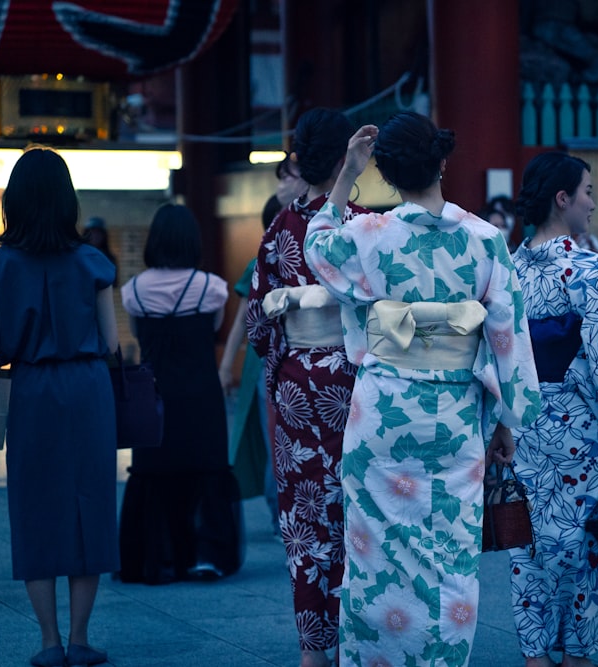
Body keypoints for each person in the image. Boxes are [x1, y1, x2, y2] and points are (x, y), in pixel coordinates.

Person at [303, 111, 542, 667]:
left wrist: (347, 175)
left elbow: (318, 247)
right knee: (450, 552)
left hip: (382, 413)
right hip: (453, 414)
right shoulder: (486, 240)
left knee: (373, 553)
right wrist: (507, 418)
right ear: (442, 161)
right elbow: (508, 333)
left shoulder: (368, 234)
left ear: (386, 174)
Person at [508, 151, 598, 667]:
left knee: (527, 538)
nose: (595, 203)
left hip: (522, 421)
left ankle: (534, 652)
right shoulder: (589, 269)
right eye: (588, 192)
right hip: (577, 424)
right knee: (582, 539)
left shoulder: (508, 270)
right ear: (562, 198)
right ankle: (576, 652)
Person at [0, 147, 119, 667]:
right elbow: (110, 342)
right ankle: (82, 639)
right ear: (66, 201)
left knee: (35, 508)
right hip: (88, 390)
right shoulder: (94, 262)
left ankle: (49, 642)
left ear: (13, 202)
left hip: (31, 393)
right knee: (90, 506)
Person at [245, 107, 367, 667]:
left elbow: (257, 324)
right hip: (357, 384)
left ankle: (313, 651)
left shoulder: (279, 227)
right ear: (348, 157)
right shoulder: (365, 224)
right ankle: (361, 638)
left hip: (298, 383)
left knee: (305, 518)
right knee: (360, 514)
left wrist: (283, 365)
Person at [118, 203, 243, 585]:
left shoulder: (133, 291)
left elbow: (139, 337)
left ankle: (158, 559)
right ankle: (207, 556)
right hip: (202, 395)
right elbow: (215, 330)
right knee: (206, 470)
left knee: (154, 474)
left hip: (154, 399)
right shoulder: (211, 288)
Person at [218, 152, 305, 523]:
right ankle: (280, 510)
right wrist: (225, 367)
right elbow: (243, 320)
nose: (281, 183)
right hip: (266, 359)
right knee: (275, 438)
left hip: (300, 355)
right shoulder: (260, 261)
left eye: (288, 176)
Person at [82, 216, 118, 287]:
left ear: (104, 236)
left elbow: (114, 283)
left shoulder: (109, 258)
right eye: (92, 232)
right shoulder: (80, 256)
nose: (95, 236)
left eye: (98, 233)